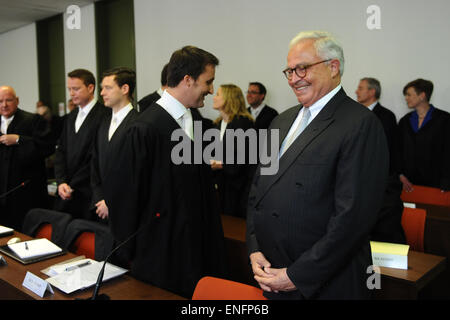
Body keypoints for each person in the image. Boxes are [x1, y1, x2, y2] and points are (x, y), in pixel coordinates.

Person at [246, 31, 389, 300]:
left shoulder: (360, 124)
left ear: (333, 67)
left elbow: (352, 219)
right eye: (289, 71)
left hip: (324, 283)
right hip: (271, 274)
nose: (293, 79)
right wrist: (254, 248)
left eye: (302, 68)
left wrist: (297, 275)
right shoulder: (281, 121)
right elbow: (258, 191)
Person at [104, 46, 226, 298]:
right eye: (209, 81)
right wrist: (135, 252)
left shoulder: (194, 119)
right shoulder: (144, 129)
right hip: (161, 258)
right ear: (187, 80)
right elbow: (125, 199)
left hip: (197, 250)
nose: (212, 89)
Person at [355, 77, 406, 244]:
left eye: (361, 88)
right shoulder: (354, 114)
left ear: (372, 92)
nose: (356, 91)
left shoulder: (386, 116)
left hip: (379, 180)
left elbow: (391, 149)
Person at [54, 69, 108, 220]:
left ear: (90, 88)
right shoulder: (71, 116)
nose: (71, 93)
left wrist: (72, 184)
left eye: (76, 89)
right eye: (69, 89)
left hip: (88, 192)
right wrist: (61, 181)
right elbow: (61, 150)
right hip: (66, 191)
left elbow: (95, 157)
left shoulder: (104, 115)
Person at [0, 86, 54, 231]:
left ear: (17, 101)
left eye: (8, 100)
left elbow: (48, 146)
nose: (4, 105)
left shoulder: (33, 120)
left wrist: (19, 139)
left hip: (26, 195)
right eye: (0, 101)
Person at [91, 67, 139, 223]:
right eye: (102, 88)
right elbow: (95, 165)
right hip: (101, 208)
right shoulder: (103, 123)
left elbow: (135, 174)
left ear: (125, 89)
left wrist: (112, 202)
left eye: (108, 88)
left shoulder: (139, 124)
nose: (102, 93)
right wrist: (100, 199)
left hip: (128, 210)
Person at [398, 78, 450, 192]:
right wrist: (400, 175)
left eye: (409, 94)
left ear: (422, 95)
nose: (406, 98)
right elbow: (398, 150)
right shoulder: (404, 121)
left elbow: (447, 152)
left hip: (437, 184)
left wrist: (446, 180)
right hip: (408, 184)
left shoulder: (444, 120)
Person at [211, 84, 255, 218]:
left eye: (218, 94)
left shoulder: (243, 123)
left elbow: (245, 157)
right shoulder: (218, 123)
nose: (214, 97)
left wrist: (220, 164)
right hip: (222, 183)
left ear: (229, 98)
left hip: (238, 186)